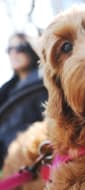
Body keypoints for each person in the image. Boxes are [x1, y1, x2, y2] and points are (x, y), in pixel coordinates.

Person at [0, 32, 48, 168]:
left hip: (29, 155)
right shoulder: (6, 90)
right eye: (10, 49)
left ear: (30, 49)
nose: (14, 53)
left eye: (20, 48)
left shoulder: (42, 82)